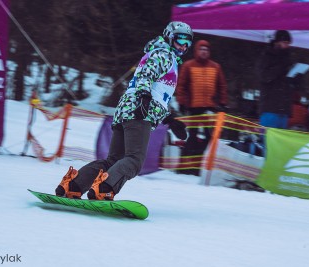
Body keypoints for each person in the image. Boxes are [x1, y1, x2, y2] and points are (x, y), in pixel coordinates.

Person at [54, 21, 193, 200]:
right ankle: (104, 189)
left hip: (128, 110)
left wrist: (170, 120)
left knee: (114, 160)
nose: (183, 46)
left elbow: (157, 93)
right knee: (134, 160)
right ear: (169, 37)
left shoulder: (162, 55)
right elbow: (145, 76)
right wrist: (143, 100)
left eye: (188, 42)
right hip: (139, 111)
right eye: (180, 40)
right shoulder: (164, 55)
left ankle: (73, 186)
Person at [175, 39, 228, 175]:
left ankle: (202, 166)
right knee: (191, 137)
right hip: (193, 107)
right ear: (196, 51)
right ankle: (185, 167)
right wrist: (181, 102)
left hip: (209, 108)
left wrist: (222, 103)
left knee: (209, 137)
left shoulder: (216, 67)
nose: (204, 52)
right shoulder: (188, 65)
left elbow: (222, 86)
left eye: (206, 50)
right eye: (201, 49)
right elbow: (181, 85)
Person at [258, 30, 296, 129]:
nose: (287, 46)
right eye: (285, 43)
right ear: (277, 42)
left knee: (278, 142)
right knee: (269, 140)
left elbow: (291, 83)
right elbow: (264, 76)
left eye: (288, 43)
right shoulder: (267, 56)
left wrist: (296, 75)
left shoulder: (288, 58)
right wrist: (282, 67)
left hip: (283, 108)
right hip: (270, 107)